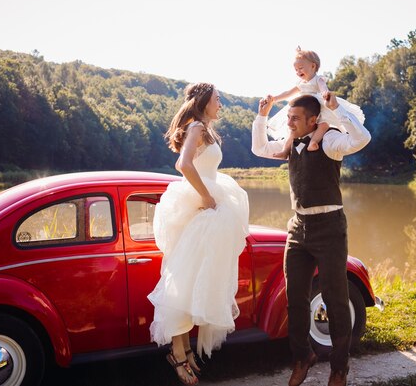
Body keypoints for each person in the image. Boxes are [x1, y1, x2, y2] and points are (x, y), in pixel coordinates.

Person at [251, 93, 371, 386]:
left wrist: (336, 109)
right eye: (288, 117)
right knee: (295, 299)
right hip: (297, 228)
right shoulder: (291, 142)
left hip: (329, 228)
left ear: (313, 120)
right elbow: (258, 148)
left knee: (335, 299)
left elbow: (362, 138)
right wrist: (263, 115)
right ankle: (303, 357)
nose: (288, 123)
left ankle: (339, 368)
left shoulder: (330, 141)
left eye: (294, 118)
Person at [148, 82, 249, 385]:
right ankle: (178, 355)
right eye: (218, 99)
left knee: (198, 284)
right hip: (198, 209)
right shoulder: (196, 128)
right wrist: (206, 197)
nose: (221, 104)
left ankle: (186, 350)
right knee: (184, 286)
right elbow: (184, 164)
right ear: (205, 101)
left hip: (208, 209)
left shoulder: (205, 127)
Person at [266, 46, 365, 159]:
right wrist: (274, 99)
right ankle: (285, 151)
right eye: (296, 70)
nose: (298, 72)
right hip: (304, 107)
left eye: (301, 68)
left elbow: (323, 88)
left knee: (323, 125)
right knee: (292, 130)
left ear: (313, 66)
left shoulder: (318, 79)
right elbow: (288, 93)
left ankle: (313, 142)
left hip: (318, 105)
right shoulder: (301, 83)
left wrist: (325, 94)